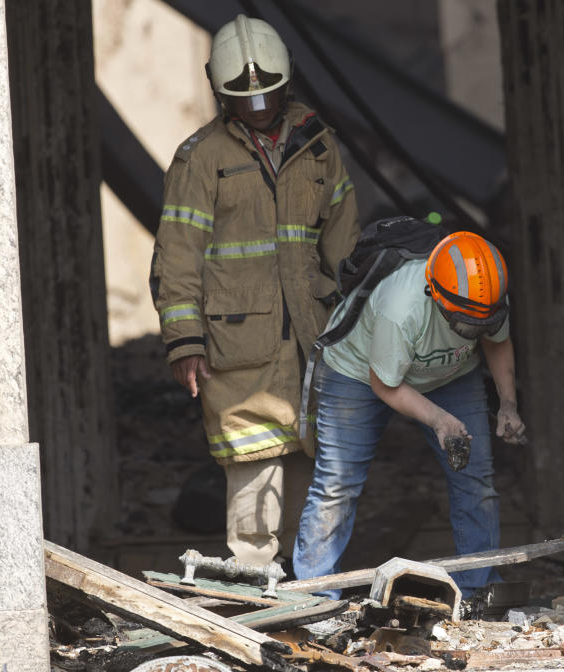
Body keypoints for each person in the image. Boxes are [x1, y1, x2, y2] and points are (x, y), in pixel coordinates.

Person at [149, 15, 359, 568]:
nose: (259, 107)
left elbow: (344, 244)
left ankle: (310, 587)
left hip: (313, 337)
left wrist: (357, 321)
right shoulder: (202, 159)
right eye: (244, 98)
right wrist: (184, 340)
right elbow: (177, 253)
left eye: (267, 94)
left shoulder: (318, 146)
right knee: (253, 464)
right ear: (221, 96)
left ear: (288, 82)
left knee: (315, 464)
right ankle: (255, 591)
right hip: (237, 346)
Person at [292, 231, 526, 598]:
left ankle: (479, 590)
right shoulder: (400, 308)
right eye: (467, 323)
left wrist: (508, 404)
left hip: (451, 374)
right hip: (358, 373)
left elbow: (497, 342)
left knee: (476, 482)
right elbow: (385, 384)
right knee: (337, 484)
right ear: (435, 293)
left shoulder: (488, 295)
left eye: (484, 321)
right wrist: (439, 419)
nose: (476, 329)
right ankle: (313, 594)